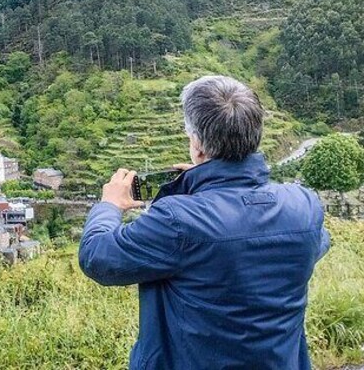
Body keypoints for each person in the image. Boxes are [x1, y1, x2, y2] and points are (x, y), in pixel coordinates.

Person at [79, 75, 330, 370]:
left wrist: (110, 204)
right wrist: (202, 186)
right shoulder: (304, 207)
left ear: (197, 145)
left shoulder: (178, 220)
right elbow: (307, 240)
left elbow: (97, 256)